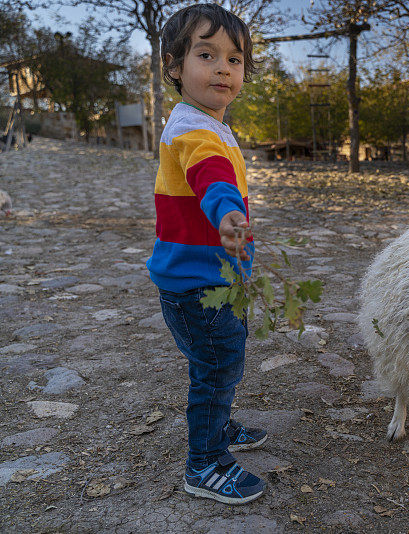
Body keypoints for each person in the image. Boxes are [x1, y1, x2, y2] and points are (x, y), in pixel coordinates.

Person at [146, 3, 266, 505]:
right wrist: (227, 215)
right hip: (198, 286)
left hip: (213, 279)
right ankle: (205, 462)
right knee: (218, 364)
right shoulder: (193, 129)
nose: (223, 67)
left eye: (235, 59)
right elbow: (210, 175)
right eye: (206, 54)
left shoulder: (206, 122)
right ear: (174, 66)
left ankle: (218, 421)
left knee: (223, 359)